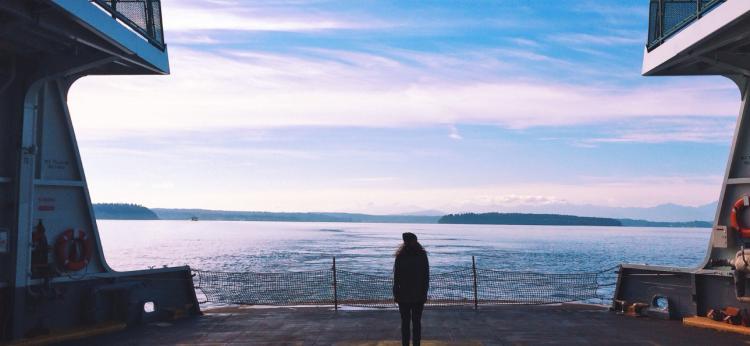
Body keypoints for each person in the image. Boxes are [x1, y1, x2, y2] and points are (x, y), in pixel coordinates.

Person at [393, 232, 429, 346]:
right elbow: (426, 276)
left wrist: (396, 294)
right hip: (418, 295)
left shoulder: (400, 256)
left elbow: (396, 277)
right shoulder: (422, 255)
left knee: (405, 324)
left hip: (404, 296)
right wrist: (424, 293)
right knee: (416, 323)